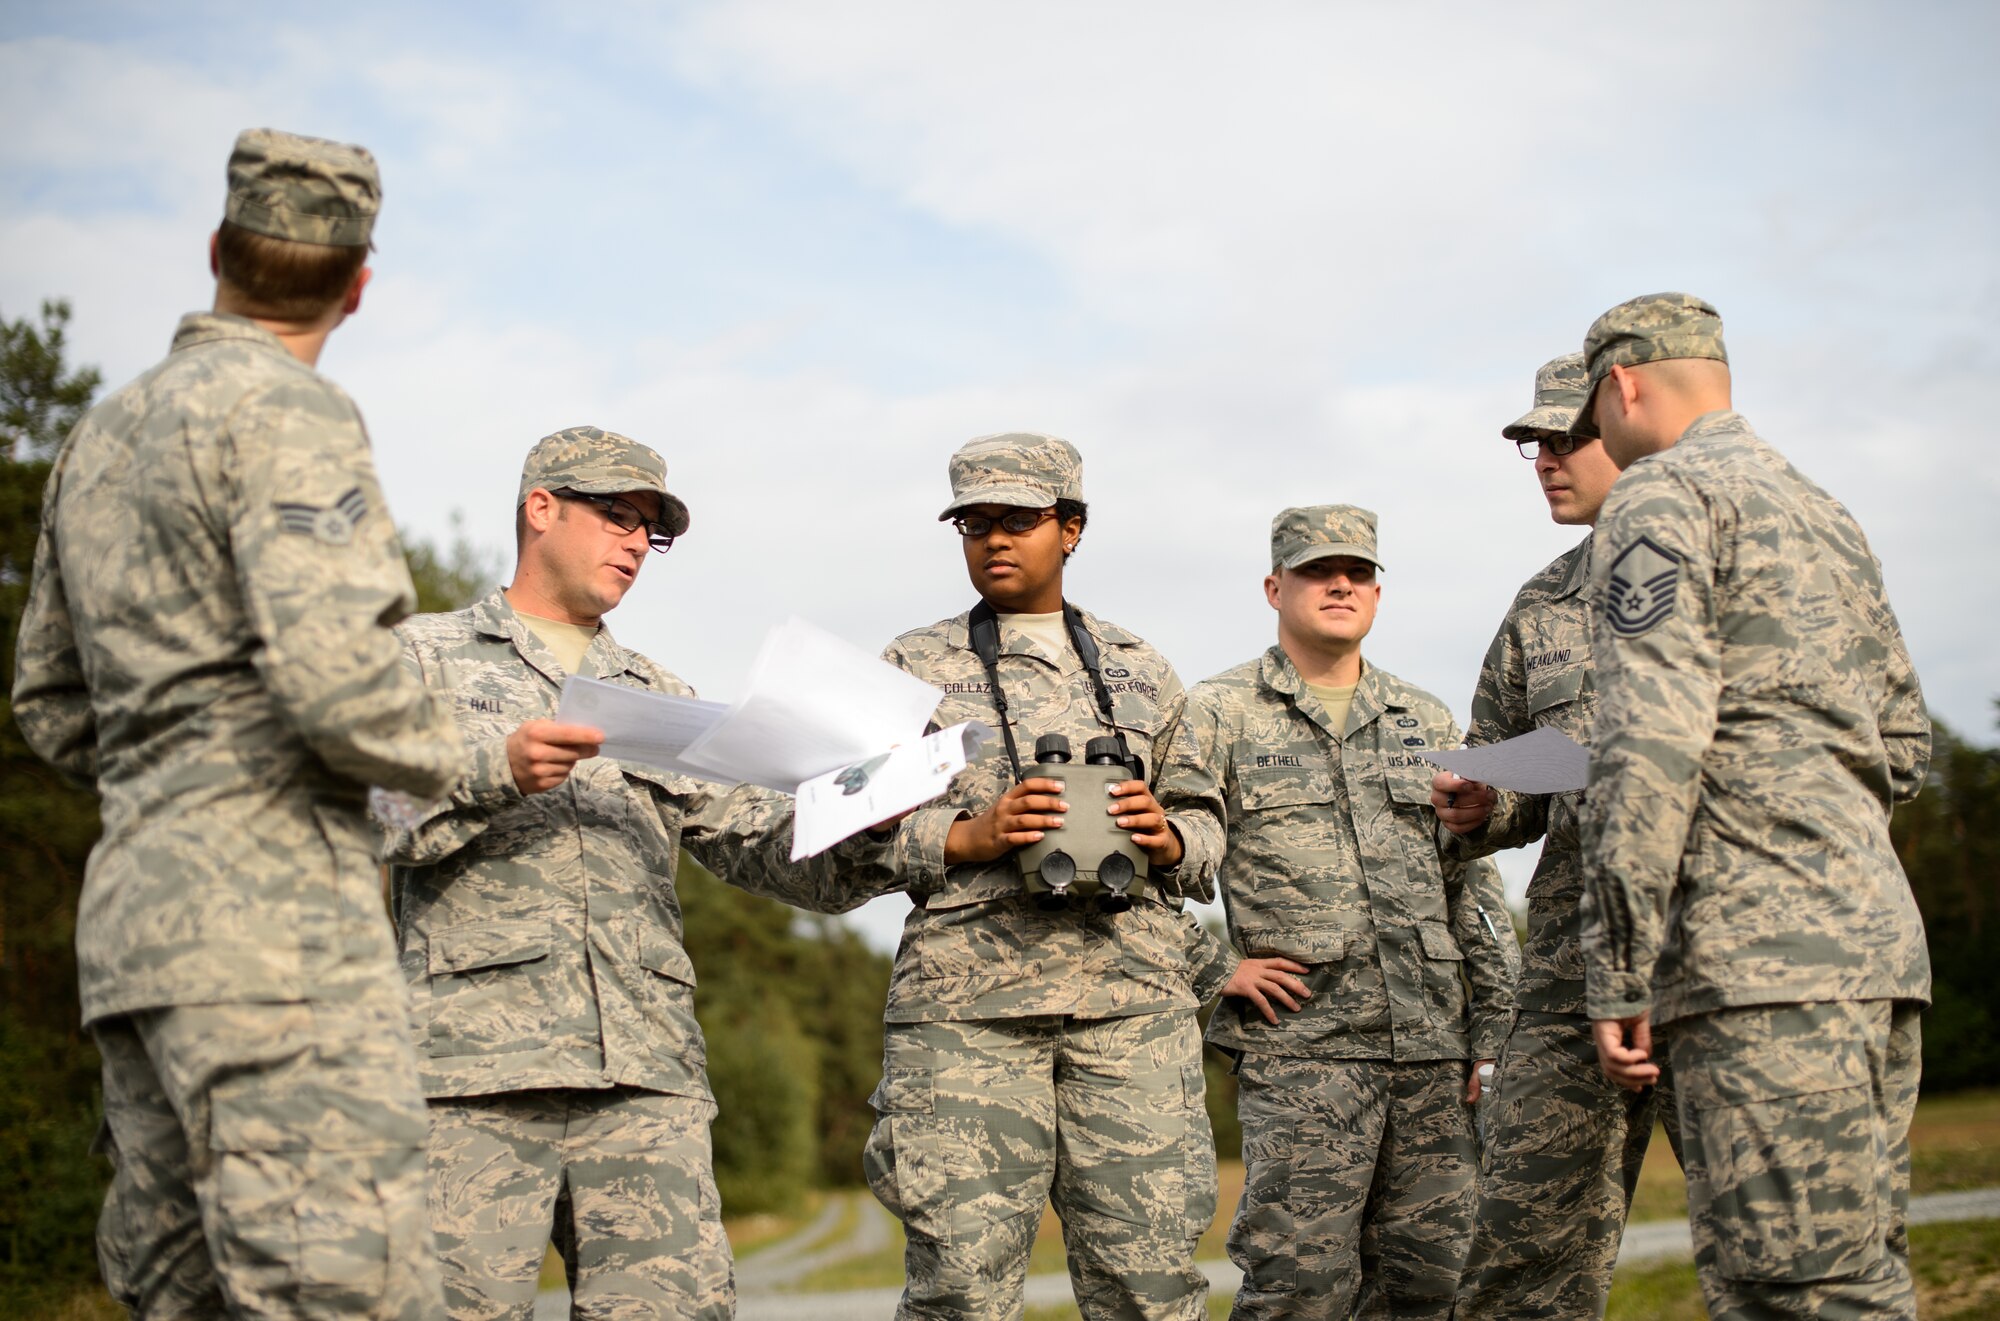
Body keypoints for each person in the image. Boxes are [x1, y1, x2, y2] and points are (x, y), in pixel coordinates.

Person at [11, 129, 465, 1317]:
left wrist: (176, 777)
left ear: (216, 249)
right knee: (343, 1296)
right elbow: (338, 690)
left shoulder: (98, 436)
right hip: (275, 943)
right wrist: (469, 755)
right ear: (359, 286)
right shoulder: (290, 412)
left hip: (133, 939)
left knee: (185, 1299)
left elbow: (49, 704)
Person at [377, 426, 902, 1320]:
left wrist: (863, 815)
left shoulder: (657, 691)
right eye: (617, 515)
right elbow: (374, 819)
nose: (634, 545)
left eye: (648, 532)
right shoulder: (418, 657)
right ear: (540, 508)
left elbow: (755, 841)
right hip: (469, 1079)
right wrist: (495, 768)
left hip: (644, 1081)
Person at [1572, 293, 1930, 1320]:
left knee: (1790, 1292)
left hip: (1754, 966)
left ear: (1622, 382)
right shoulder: (1822, 511)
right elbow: (1899, 744)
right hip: (1870, 949)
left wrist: (1619, 965)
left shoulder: (1658, 498)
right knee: (1851, 1278)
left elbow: (1648, 740)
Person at [847, 431, 1226, 1319]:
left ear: (1073, 528)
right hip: (966, 1016)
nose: (993, 538)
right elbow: (845, 831)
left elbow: (1210, 825)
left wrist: (1165, 837)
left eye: (1017, 518)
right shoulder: (911, 667)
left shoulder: (1141, 668)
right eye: (973, 522)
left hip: (1133, 1011)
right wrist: (968, 837)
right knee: (960, 1295)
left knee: (1153, 1290)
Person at [1185, 506, 1516, 1321]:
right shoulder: (1215, 713)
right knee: (1299, 1292)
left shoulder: (1425, 717)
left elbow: (1471, 884)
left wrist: (1495, 1033)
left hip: (1434, 1055)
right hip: (1306, 1058)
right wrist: (1215, 967)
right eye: (1316, 569)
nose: (1340, 583)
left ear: (1377, 591)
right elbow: (1148, 869)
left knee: (1434, 1287)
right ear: (1274, 586)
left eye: (1359, 571)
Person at [1432, 353, 1684, 1318]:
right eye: (1533, 443)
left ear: (1624, 428)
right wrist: (1481, 802)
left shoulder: (1728, 558)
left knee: (1775, 1247)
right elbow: (1507, 768)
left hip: (1716, 952)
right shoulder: (1540, 605)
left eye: (1565, 437)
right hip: (1573, 971)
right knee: (1518, 1260)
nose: (1544, 459)